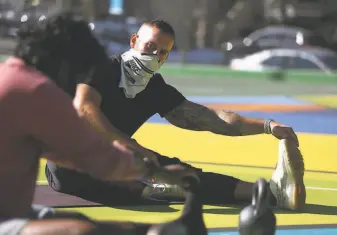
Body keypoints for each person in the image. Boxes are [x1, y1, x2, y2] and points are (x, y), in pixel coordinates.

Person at [45, 19, 305, 211]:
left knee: (184, 174)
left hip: (121, 157)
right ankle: (151, 183)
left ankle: (270, 192)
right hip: (70, 165)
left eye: (163, 52)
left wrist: (268, 126)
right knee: (140, 186)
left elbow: (208, 118)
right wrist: (131, 147)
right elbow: (85, 109)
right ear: (134, 41)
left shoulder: (154, 87)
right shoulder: (100, 67)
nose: (155, 55)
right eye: (150, 46)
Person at [0, 12, 202, 235]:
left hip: (12, 213)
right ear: (65, 63)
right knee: (79, 230)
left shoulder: (11, 77)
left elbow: (68, 153)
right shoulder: (35, 90)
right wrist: (154, 171)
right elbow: (89, 154)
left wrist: (148, 172)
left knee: (78, 222)